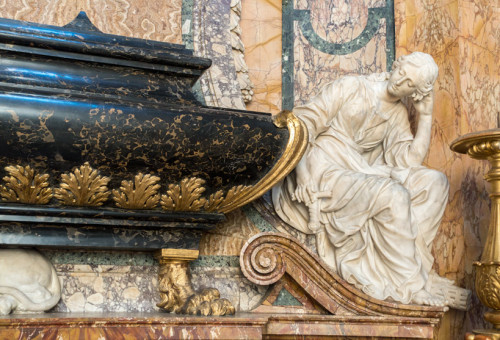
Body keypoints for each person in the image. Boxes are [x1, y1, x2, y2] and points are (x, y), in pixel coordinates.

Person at [272, 52, 469, 309]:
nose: (400, 82)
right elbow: (303, 125)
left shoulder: (397, 114)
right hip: (324, 168)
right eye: (401, 72)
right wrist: (304, 175)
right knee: (394, 195)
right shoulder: (351, 87)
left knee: (435, 183)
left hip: (360, 171)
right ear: (396, 65)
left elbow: (409, 161)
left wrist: (427, 117)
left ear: (415, 93)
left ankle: (416, 269)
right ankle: (412, 285)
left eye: (409, 83)